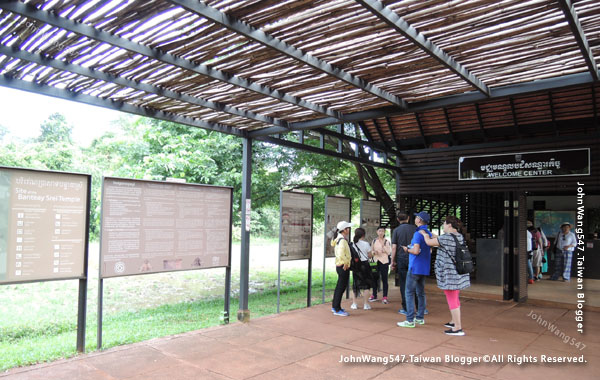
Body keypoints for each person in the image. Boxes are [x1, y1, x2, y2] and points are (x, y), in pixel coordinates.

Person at [419, 215, 470, 336]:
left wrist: (425, 234)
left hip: (449, 274)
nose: (443, 225)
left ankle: (458, 328)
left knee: (452, 299)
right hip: (457, 273)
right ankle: (453, 321)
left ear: (449, 225)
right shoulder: (459, 236)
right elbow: (441, 240)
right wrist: (432, 234)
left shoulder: (446, 238)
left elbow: (429, 242)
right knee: (455, 298)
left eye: (444, 223)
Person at [397, 211, 431, 328]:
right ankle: (420, 317)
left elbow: (416, 251)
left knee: (409, 292)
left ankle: (410, 319)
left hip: (415, 266)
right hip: (424, 266)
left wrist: (407, 249)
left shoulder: (418, 234)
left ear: (419, 220)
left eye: (417, 217)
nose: (415, 218)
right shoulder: (428, 233)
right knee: (421, 293)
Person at [391, 212, 416, 315]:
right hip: (413, 258)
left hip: (401, 258)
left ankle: (406, 308)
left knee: (403, 283)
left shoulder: (396, 230)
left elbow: (394, 247)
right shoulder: (414, 229)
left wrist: (392, 261)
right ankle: (420, 307)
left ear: (398, 219)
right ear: (408, 217)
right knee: (416, 282)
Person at [350, 228, 374, 310]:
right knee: (366, 285)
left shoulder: (352, 244)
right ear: (363, 235)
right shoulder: (366, 244)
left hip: (356, 266)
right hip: (365, 265)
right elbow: (370, 255)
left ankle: (354, 304)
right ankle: (366, 304)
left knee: (355, 284)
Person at [331, 221, 352, 316]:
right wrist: (346, 263)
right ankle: (337, 308)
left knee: (339, 287)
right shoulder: (342, 240)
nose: (349, 230)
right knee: (341, 287)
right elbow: (340, 254)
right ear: (344, 230)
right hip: (343, 266)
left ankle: (335, 306)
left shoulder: (339, 239)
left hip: (340, 265)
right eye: (348, 228)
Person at [369, 226, 392, 304]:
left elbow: (389, 252)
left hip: (384, 262)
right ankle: (374, 295)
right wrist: (374, 252)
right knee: (374, 278)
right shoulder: (374, 241)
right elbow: (371, 251)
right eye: (379, 231)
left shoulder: (387, 241)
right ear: (377, 232)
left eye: (382, 231)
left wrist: (383, 247)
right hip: (375, 261)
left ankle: (385, 296)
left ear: (384, 232)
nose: (381, 232)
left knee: (384, 279)